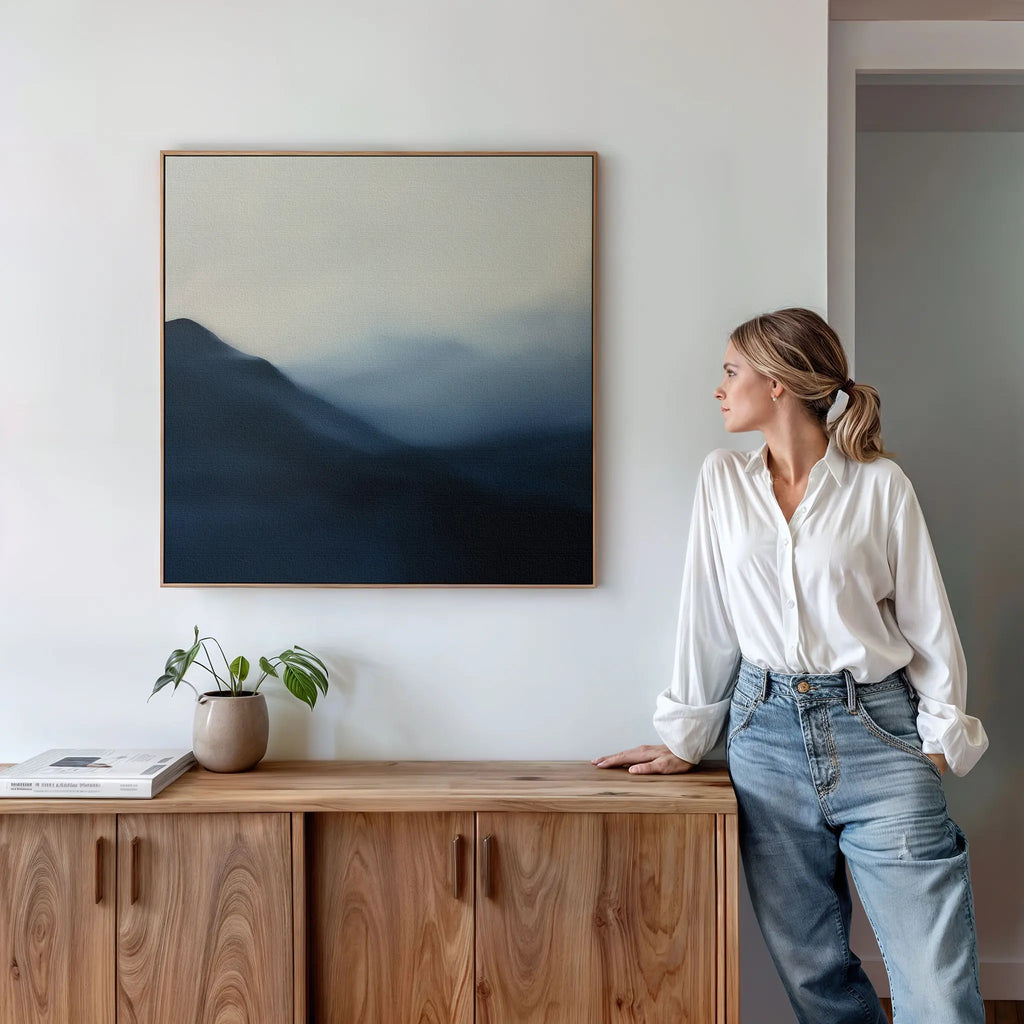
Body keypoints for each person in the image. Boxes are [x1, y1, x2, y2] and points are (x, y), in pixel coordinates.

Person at [593, 308, 988, 1024]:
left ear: (777, 384)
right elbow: (705, 616)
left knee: (937, 987)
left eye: (730, 371)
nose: (719, 388)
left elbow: (929, 621)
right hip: (763, 736)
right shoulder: (722, 482)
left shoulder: (880, 486)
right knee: (815, 979)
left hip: (879, 729)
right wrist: (687, 737)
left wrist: (936, 739)